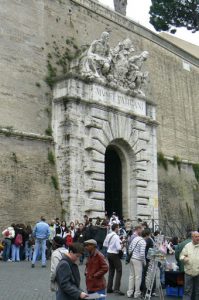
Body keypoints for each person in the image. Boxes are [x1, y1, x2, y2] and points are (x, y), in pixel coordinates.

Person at [127, 229, 150, 299]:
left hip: (131, 259)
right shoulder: (143, 242)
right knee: (138, 277)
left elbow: (129, 248)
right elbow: (142, 254)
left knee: (131, 276)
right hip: (138, 260)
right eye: (149, 235)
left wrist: (131, 255)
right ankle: (137, 293)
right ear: (147, 235)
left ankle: (129, 292)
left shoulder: (135, 238)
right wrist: (144, 262)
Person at [103, 223, 124, 295]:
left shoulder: (108, 235)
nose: (118, 229)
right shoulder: (116, 236)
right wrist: (122, 245)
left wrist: (111, 246)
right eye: (118, 228)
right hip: (114, 254)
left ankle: (109, 288)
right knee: (119, 270)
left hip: (109, 253)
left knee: (111, 271)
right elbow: (118, 248)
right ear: (116, 228)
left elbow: (104, 244)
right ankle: (116, 288)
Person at [180, 231, 199, 299]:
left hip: (198, 272)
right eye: (196, 237)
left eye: (198, 236)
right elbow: (181, 256)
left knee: (198, 291)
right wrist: (184, 258)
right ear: (192, 237)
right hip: (188, 272)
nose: (198, 238)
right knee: (187, 291)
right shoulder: (187, 246)